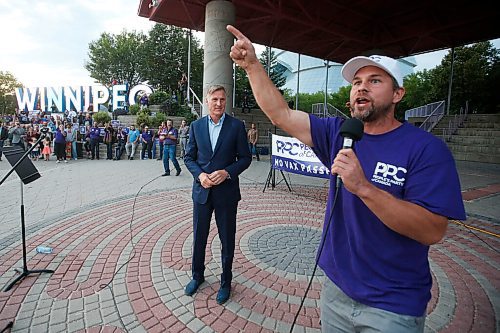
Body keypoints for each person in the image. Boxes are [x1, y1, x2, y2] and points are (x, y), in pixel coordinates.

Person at [227, 25, 466, 332]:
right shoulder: (340, 133)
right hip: (336, 291)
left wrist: (364, 188)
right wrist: (252, 66)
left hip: (393, 304)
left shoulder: (427, 149)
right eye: (357, 82)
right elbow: (281, 114)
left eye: (374, 80)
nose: (361, 88)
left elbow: (432, 230)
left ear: (398, 94)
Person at [184, 85, 251, 305]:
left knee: (227, 240)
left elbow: (245, 158)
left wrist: (227, 172)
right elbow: (189, 158)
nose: (219, 103)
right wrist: (199, 175)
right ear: (207, 100)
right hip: (202, 192)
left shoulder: (236, 126)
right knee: (199, 238)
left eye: (222, 99)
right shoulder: (196, 126)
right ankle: (197, 276)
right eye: (215, 99)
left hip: (226, 194)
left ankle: (225, 282)